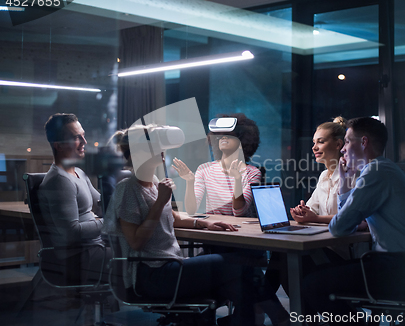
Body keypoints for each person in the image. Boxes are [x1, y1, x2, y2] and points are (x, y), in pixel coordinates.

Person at [105, 125, 289, 326]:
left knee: (239, 283)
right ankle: (280, 317)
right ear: (139, 153)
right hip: (151, 276)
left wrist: (203, 223)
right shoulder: (128, 189)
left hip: (170, 266)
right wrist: (160, 201)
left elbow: (172, 217)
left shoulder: (153, 182)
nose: (162, 151)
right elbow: (136, 242)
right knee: (239, 265)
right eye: (155, 147)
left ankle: (252, 320)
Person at [302, 117, 405, 325]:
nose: (343, 149)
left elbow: (339, 227)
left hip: (401, 269)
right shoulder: (382, 169)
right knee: (313, 273)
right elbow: (345, 221)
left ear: (363, 142)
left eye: (347, 141)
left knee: (311, 284)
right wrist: (347, 182)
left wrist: (346, 184)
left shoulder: (375, 172)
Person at [265, 117, 367, 296]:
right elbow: (311, 210)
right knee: (282, 255)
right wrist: (302, 212)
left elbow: (352, 219)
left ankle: (265, 308)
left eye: (320, 141)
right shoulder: (323, 177)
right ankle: (272, 310)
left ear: (338, 144)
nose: (314, 147)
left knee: (283, 259)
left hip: (343, 254)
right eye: (314, 142)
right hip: (322, 248)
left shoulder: (352, 175)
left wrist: (314, 218)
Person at [38, 113, 110, 285]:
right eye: (77, 138)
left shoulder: (78, 173)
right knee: (136, 256)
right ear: (59, 145)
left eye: (83, 136)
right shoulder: (59, 181)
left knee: (140, 247)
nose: (84, 142)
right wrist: (108, 221)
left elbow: (103, 206)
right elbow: (72, 232)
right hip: (79, 258)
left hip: (94, 248)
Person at [172, 113, 261, 217]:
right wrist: (190, 182)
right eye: (220, 135)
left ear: (242, 142)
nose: (223, 137)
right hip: (214, 228)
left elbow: (239, 212)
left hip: (242, 231)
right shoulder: (204, 169)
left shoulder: (252, 173)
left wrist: (237, 179)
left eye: (230, 135)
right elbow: (191, 210)